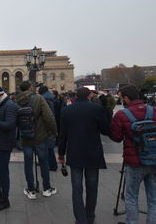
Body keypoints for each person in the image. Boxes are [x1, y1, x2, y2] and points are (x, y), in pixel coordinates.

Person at [110, 85, 156, 224]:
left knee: (131, 197)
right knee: (155, 200)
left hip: (134, 162)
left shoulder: (122, 115)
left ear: (126, 98)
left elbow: (116, 137)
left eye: (121, 97)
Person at [58, 87, 111, 224]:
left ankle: (80, 219)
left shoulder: (66, 110)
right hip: (93, 152)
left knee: (77, 188)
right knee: (92, 186)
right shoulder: (97, 109)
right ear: (89, 95)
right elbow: (106, 130)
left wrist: (61, 153)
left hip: (75, 153)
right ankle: (90, 215)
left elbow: (62, 135)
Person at [16, 81, 58, 199]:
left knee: (28, 163)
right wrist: (54, 132)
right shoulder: (39, 98)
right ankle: (46, 188)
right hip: (40, 136)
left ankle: (31, 190)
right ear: (30, 88)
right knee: (44, 161)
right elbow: (49, 117)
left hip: (25, 136)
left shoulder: (16, 100)